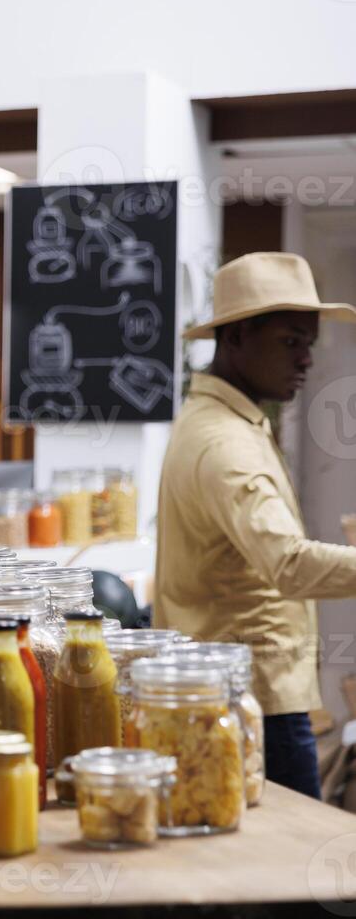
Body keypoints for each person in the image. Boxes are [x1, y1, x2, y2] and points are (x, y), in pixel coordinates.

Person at [155, 251, 356, 799]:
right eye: (291, 341)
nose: (306, 360)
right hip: (255, 699)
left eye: (309, 343)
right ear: (237, 337)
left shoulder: (219, 420)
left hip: (235, 687)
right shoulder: (227, 444)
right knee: (287, 871)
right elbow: (288, 563)